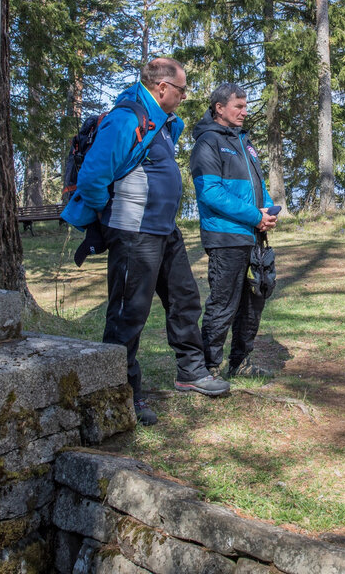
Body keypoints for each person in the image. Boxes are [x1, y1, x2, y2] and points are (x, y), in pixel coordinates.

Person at [61, 57, 230, 428]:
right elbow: (92, 178)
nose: (186, 96)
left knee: (184, 299)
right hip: (134, 233)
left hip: (164, 229)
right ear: (162, 88)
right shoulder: (126, 118)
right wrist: (114, 219)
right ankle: (122, 392)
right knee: (128, 315)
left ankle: (191, 372)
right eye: (182, 89)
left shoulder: (166, 124)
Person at [190, 83, 278, 379]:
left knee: (254, 303)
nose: (244, 111)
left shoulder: (244, 141)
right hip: (225, 236)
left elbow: (258, 184)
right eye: (238, 106)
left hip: (254, 236)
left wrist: (267, 211)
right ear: (219, 108)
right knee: (223, 303)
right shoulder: (208, 142)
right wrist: (254, 215)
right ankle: (209, 367)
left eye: (245, 105)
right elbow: (210, 193)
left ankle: (240, 362)